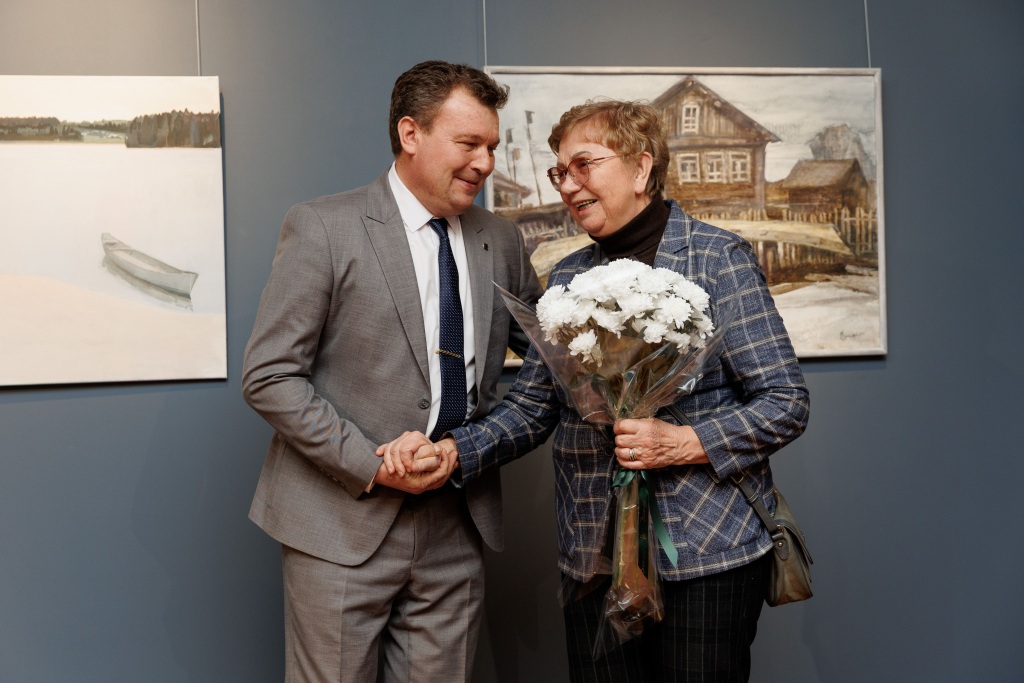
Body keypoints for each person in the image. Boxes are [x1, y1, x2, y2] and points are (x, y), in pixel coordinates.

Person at [381, 99, 810, 682]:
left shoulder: (718, 257)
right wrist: (452, 451)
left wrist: (681, 443)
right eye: (560, 171)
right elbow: (534, 407)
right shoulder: (566, 276)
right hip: (592, 555)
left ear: (641, 167)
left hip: (707, 549)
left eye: (583, 165)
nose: (567, 185)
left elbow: (785, 402)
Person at [241, 60, 542, 682]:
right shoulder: (324, 227)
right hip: (338, 527)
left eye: (491, 146)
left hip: (457, 526)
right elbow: (269, 376)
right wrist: (373, 464)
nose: (485, 163)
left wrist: (466, 450)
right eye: (468, 143)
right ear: (410, 134)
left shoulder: (502, 240)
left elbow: (548, 370)